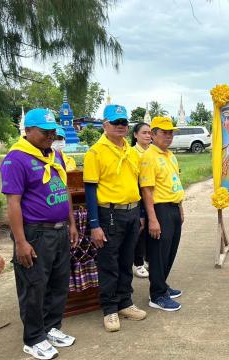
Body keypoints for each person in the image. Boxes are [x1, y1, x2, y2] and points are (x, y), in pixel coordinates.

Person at [0, 108, 79, 359]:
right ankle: (33, 338)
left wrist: (72, 224)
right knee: (34, 285)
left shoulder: (54, 155)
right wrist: (21, 242)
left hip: (59, 230)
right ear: (28, 131)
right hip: (35, 233)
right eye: (45, 132)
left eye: (53, 132)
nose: (50, 136)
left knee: (58, 283)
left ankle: (51, 327)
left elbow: (63, 189)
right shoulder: (16, 159)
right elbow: (13, 203)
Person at [83, 104, 147, 332]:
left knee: (126, 260)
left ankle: (125, 302)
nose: (121, 126)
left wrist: (140, 213)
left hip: (131, 211)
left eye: (124, 123)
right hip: (108, 213)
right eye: (116, 122)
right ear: (105, 125)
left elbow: (136, 183)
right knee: (109, 262)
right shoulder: (95, 152)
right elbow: (90, 189)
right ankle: (110, 309)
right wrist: (94, 225)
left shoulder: (131, 151)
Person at [140, 116, 184, 311]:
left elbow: (176, 183)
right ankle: (156, 295)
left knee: (170, 251)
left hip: (173, 207)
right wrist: (153, 219)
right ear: (153, 134)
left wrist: (180, 208)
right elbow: (147, 190)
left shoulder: (169, 155)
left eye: (170, 132)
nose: (168, 136)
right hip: (160, 210)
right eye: (163, 132)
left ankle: (163, 285)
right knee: (158, 254)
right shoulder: (149, 156)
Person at [131, 122, 152, 278]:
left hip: (153, 194)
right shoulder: (132, 153)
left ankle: (147, 258)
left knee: (151, 229)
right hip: (138, 194)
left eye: (149, 132)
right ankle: (137, 263)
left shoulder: (153, 152)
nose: (147, 135)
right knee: (140, 228)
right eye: (144, 132)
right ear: (135, 135)